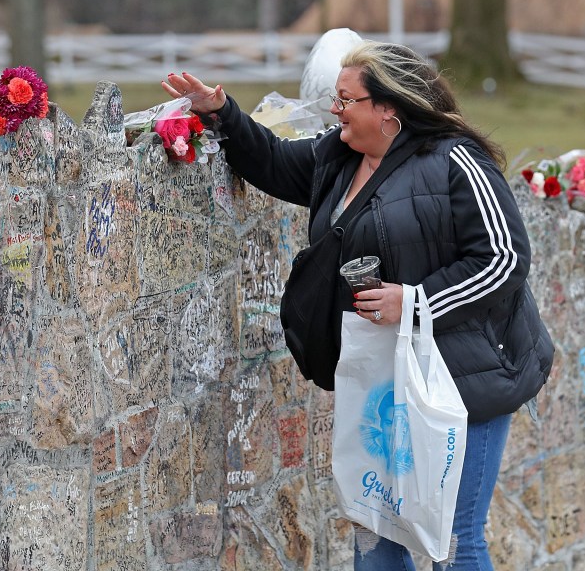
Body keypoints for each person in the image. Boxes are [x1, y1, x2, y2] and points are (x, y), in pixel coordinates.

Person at [162, 41, 552, 571]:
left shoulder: (456, 160)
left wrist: (416, 301)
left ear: (388, 108)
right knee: (375, 530)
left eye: (345, 100)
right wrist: (221, 113)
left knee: (454, 540)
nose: (333, 109)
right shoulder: (337, 155)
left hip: (467, 376)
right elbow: (274, 162)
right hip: (381, 381)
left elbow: (505, 260)